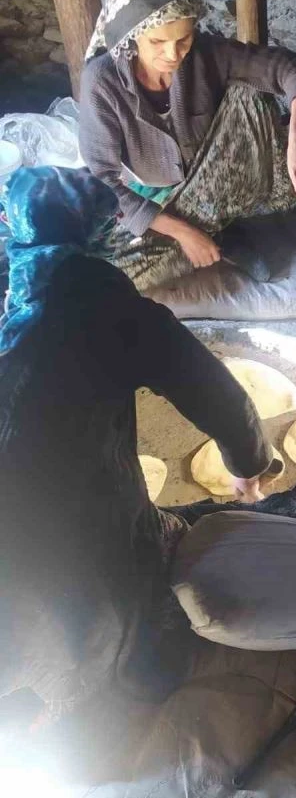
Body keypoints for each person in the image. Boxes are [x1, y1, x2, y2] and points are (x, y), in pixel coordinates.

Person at [0, 166, 273, 723]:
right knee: (108, 566)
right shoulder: (107, 302)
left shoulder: (13, 274)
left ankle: (26, 693)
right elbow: (207, 385)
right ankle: (130, 672)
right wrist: (248, 460)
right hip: (65, 489)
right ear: (93, 232)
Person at [79, 0, 296, 292]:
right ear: (132, 35)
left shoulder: (205, 53)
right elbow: (102, 182)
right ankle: (212, 234)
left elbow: (289, 67)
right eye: (157, 42)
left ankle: (220, 226)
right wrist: (182, 231)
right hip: (157, 196)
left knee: (252, 95)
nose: (173, 54)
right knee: (114, 274)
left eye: (183, 39)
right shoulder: (102, 81)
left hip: (213, 179)